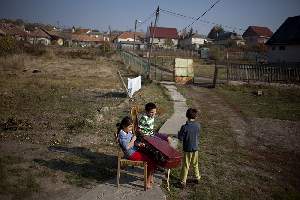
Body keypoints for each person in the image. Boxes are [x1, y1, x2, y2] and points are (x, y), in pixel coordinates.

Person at [117, 116, 157, 189]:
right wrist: (133, 140)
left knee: (152, 155)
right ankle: (147, 182)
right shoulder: (122, 135)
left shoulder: (127, 132)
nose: (131, 129)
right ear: (123, 126)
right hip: (131, 154)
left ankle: (149, 177)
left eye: (131, 127)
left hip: (134, 150)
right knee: (150, 162)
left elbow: (133, 142)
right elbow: (127, 147)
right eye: (129, 127)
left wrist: (138, 144)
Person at [178, 108, 201, 188]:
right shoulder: (198, 125)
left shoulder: (184, 127)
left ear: (186, 116)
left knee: (186, 165)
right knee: (195, 164)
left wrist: (179, 134)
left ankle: (183, 181)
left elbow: (180, 138)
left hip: (187, 149)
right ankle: (197, 177)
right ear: (196, 117)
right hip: (195, 148)